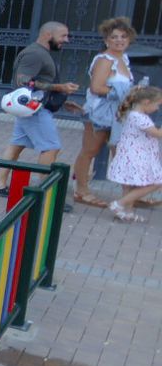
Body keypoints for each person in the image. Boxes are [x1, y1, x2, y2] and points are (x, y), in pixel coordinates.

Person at [0, 22, 79, 193]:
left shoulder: (41, 53)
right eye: (63, 36)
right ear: (48, 34)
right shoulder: (35, 54)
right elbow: (22, 81)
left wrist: (62, 100)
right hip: (35, 109)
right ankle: (46, 193)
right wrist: (59, 87)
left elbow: (36, 82)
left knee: (16, 145)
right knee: (51, 147)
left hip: (32, 108)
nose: (66, 40)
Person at [72, 16, 136, 206]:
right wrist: (122, 93)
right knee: (89, 151)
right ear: (107, 40)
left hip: (118, 115)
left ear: (129, 38)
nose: (119, 40)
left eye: (123, 36)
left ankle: (130, 196)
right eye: (114, 37)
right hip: (99, 114)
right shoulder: (105, 60)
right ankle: (81, 191)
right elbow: (96, 87)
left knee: (122, 153)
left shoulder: (123, 58)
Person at [105, 86, 162, 222]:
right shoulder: (139, 118)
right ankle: (119, 204)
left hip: (131, 155)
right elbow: (157, 134)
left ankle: (127, 212)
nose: (157, 109)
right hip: (137, 156)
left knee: (129, 184)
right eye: (157, 105)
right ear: (146, 102)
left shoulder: (134, 114)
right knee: (157, 182)